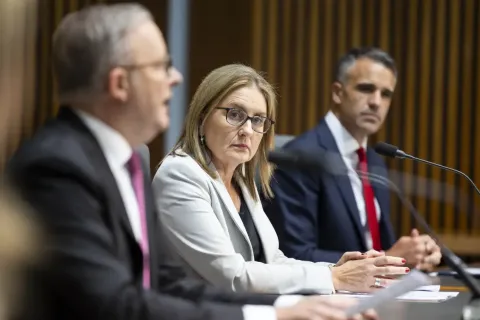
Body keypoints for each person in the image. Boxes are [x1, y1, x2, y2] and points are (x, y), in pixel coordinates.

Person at [6, 4, 378, 320]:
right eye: (160, 66)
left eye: (259, 120)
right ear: (120, 84)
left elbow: (170, 283)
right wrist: (274, 312)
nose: (175, 77)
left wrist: (293, 300)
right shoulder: (61, 166)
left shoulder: (128, 160)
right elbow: (113, 303)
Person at [153, 63, 408, 296]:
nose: (247, 130)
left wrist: (339, 268)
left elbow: (273, 261)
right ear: (201, 118)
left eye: (258, 120)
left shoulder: (242, 180)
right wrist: (332, 277)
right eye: (234, 114)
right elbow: (232, 276)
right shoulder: (181, 175)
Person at [263, 47, 442, 271]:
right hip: (324, 298)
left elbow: (379, 245)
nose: (376, 102)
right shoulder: (301, 158)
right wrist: (387, 258)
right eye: (366, 89)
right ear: (338, 93)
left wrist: (414, 255)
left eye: (386, 94)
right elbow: (293, 254)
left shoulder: (375, 160)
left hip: (375, 294)